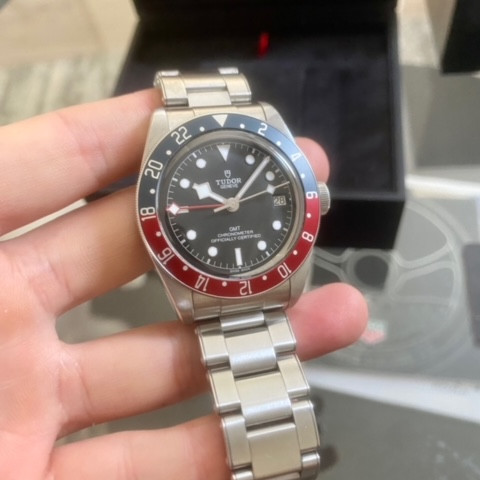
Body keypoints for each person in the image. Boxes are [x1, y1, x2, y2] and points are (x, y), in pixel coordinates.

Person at [0, 89, 368, 479]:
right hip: (212, 291)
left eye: (236, 203)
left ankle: (280, 455)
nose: (232, 206)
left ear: (314, 199)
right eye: (225, 204)